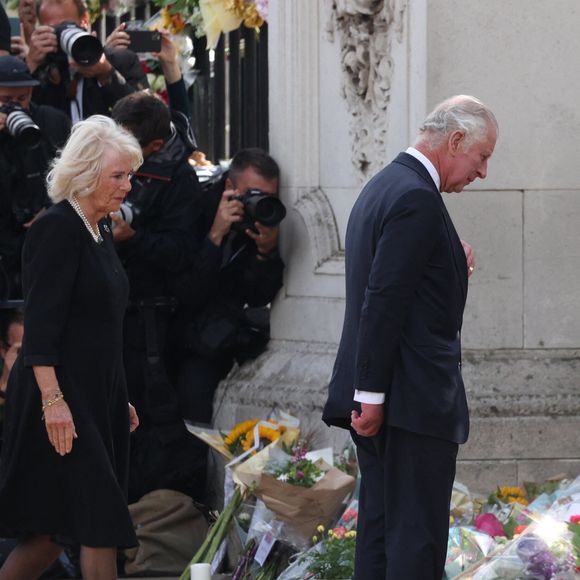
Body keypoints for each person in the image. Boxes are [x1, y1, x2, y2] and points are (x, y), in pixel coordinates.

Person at [322, 95, 498, 579]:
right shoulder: (417, 196)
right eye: (482, 157)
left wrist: (449, 261)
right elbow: (383, 301)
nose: (483, 172)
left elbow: (401, 283)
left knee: (380, 539)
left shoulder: (386, 185)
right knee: (413, 546)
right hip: (409, 405)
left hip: (392, 402)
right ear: (456, 140)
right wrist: (372, 395)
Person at [0, 115, 143, 579]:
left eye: (129, 176)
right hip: (58, 402)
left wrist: (116, 395)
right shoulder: (57, 229)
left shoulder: (98, 232)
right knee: (98, 522)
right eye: (117, 175)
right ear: (84, 174)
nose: (127, 186)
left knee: (52, 531)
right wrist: (54, 401)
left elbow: (95, 327)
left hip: (93, 399)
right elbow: (41, 329)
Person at [0, 54, 71, 299]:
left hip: (48, 243)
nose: (16, 107)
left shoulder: (53, 121)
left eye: (23, 98)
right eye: (6, 100)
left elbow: (78, 176)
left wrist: (52, 208)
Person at [25, 0, 147, 122]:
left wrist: (107, 74)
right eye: (53, 28)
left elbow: (146, 116)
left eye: (65, 25)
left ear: (84, 20)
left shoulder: (120, 60)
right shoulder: (40, 68)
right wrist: (31, 65)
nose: (61, 33)